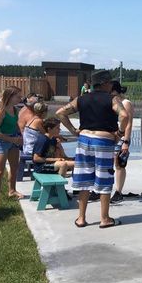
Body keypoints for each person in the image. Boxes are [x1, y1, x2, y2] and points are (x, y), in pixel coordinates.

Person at [56, 70, 132, 228]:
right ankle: (104, 218)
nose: (111, 85)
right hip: (104, 141)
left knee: (84, 179)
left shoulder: (81, 99)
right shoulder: (112, 99)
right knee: (104, 178)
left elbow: (60, 113)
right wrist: (119, 134)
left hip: (84, 140)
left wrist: (73, 131)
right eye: (110, 82)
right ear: (105, 83)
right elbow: (124, 116)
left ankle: (81, 218)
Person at [0, 86, 24, 205]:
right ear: (10, 97)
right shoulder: (1, 112)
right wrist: (12, 139)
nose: (20, 99)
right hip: (1, 142)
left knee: (14, 168)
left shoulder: (15, 110)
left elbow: (15, 124)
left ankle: (12, 191)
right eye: (18, 97)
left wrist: (20, 135)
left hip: (13, 140)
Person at [110, 81, 134, 204]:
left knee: (119, 163)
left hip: (122, 137)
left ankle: (118, 191)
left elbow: (128, 124)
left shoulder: (125, 103)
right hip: (112, 136)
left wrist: (126, 141)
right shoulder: (112, 102)